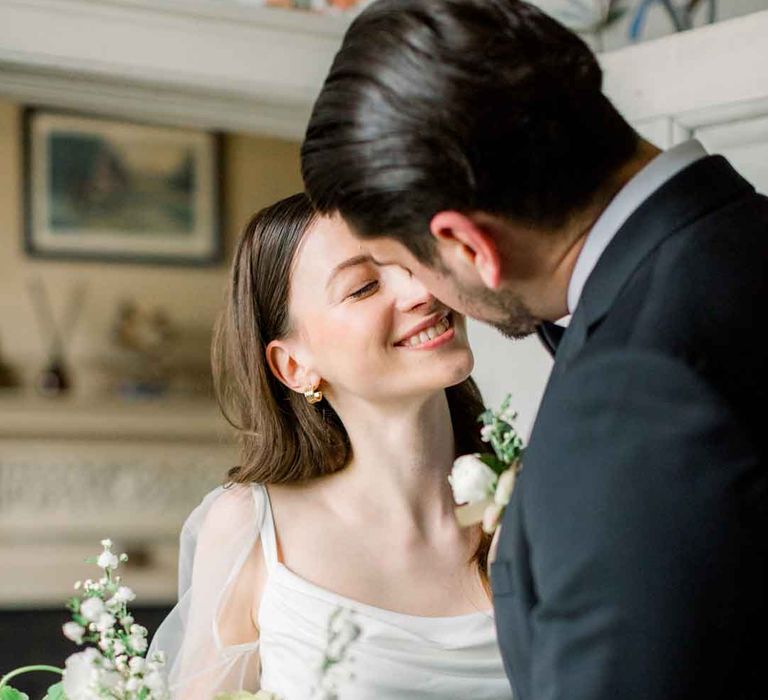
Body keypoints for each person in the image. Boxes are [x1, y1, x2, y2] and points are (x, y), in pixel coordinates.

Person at [300, 1, 768, 699]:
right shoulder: (739, 245)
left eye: (407, 264)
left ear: (465, 244)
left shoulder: (625, 396)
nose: (424, 296)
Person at [148, 193, 513, 699]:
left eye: (415, 260)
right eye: (363, 287)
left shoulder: (537, 506)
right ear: (293, 366)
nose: (419, 290)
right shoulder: (252, 533)